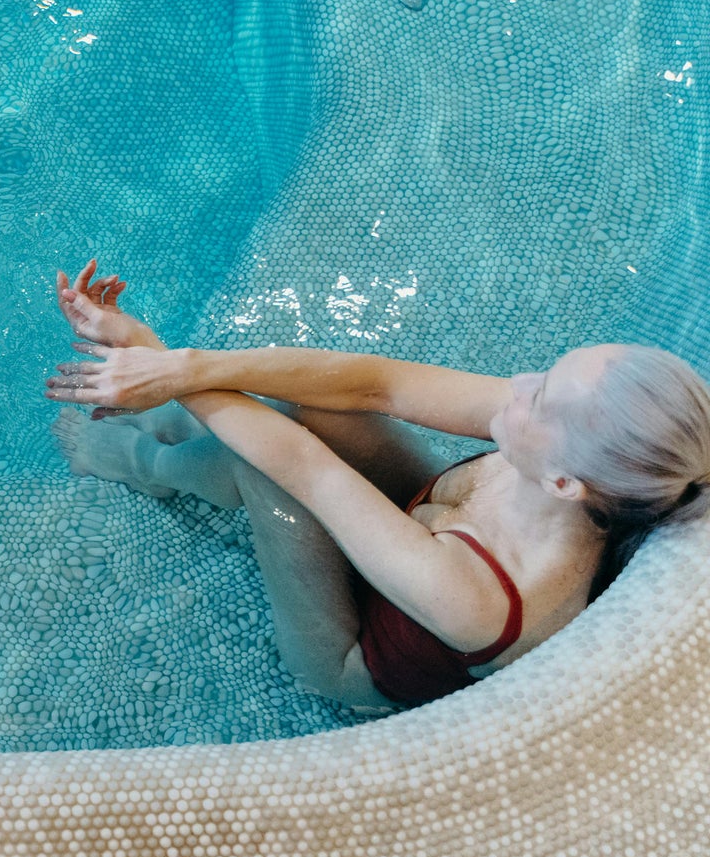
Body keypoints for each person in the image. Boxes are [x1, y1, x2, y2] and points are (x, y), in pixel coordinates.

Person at [40, 260, 710, 714]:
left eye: (541, 398)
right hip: (414, 529)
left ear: (566, 480)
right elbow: (376, 382)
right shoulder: (572, 460)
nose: (523, 384)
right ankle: (163, 410)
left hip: (345, 657)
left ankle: (136, 463)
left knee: (264, 470)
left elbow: (304, 468)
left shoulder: (483, 599)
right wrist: (184, 365)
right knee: (327, 405)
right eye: (548, 370)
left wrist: (155, 358)